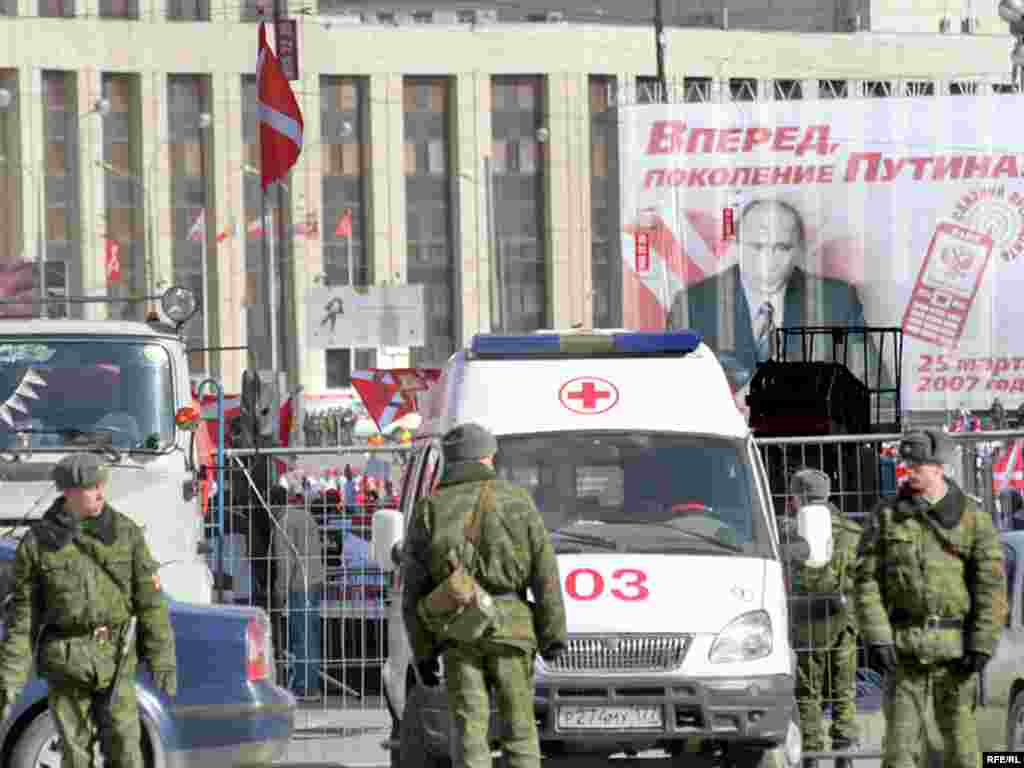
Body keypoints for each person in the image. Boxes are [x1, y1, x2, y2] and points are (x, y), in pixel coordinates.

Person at [401, 423, 567, 768]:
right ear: (487, 457)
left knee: (469, 731)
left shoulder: (430, 508)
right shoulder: (517, 501)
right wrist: (553, 636)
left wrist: (424, 653)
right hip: (513, 629)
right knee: (520, 729)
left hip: (459, 630)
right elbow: (545, 572)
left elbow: (413, 590)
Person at [0, 453, 177, 766]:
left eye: (100, 485)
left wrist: (162, 659)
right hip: (67, 659)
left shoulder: (125, 533)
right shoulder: (38, 544)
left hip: (116, 656)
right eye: (90, 486)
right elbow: (23, 619)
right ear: (68, 492)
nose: (99, 492)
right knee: (74, 753)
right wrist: (9, 682)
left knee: (125, 747)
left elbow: (151, 602)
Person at [854, 429, 1007, 768]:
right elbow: (865, 581)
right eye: (905, 463)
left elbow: (991, 586)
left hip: (957, 655)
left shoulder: (972, 519)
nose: (908, 470)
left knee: (962, 752)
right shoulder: (887, 516)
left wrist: (982, 644)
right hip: (905, 653)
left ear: (940, 467)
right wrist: (878, 637)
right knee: (899, 752)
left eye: (917, 464)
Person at [668, 198, 877, 393]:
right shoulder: (691, 305)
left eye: (782, 247)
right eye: (757, 247)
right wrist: (732, 404)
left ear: (799, 250)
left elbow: (873, 390)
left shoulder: (838, 301)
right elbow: (674, 394)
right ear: (736, 246)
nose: (768, 259)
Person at [783, 468, 861, 768]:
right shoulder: (852, 529)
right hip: (845, 618)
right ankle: (846, 753)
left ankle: (812, 756)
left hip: (807, 619)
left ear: (798, 497)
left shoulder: (792, 529)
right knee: (844, 691)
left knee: (808, 692)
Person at [271, 485, 326, 698]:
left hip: (298, 586)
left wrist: (279, 595)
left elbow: (285, 566)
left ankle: (304, 686)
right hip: (315, 582)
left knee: (300, 638)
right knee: (311, 635)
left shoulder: (281, 524)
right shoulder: (306, 516)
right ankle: (311, 683)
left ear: (271, 504)